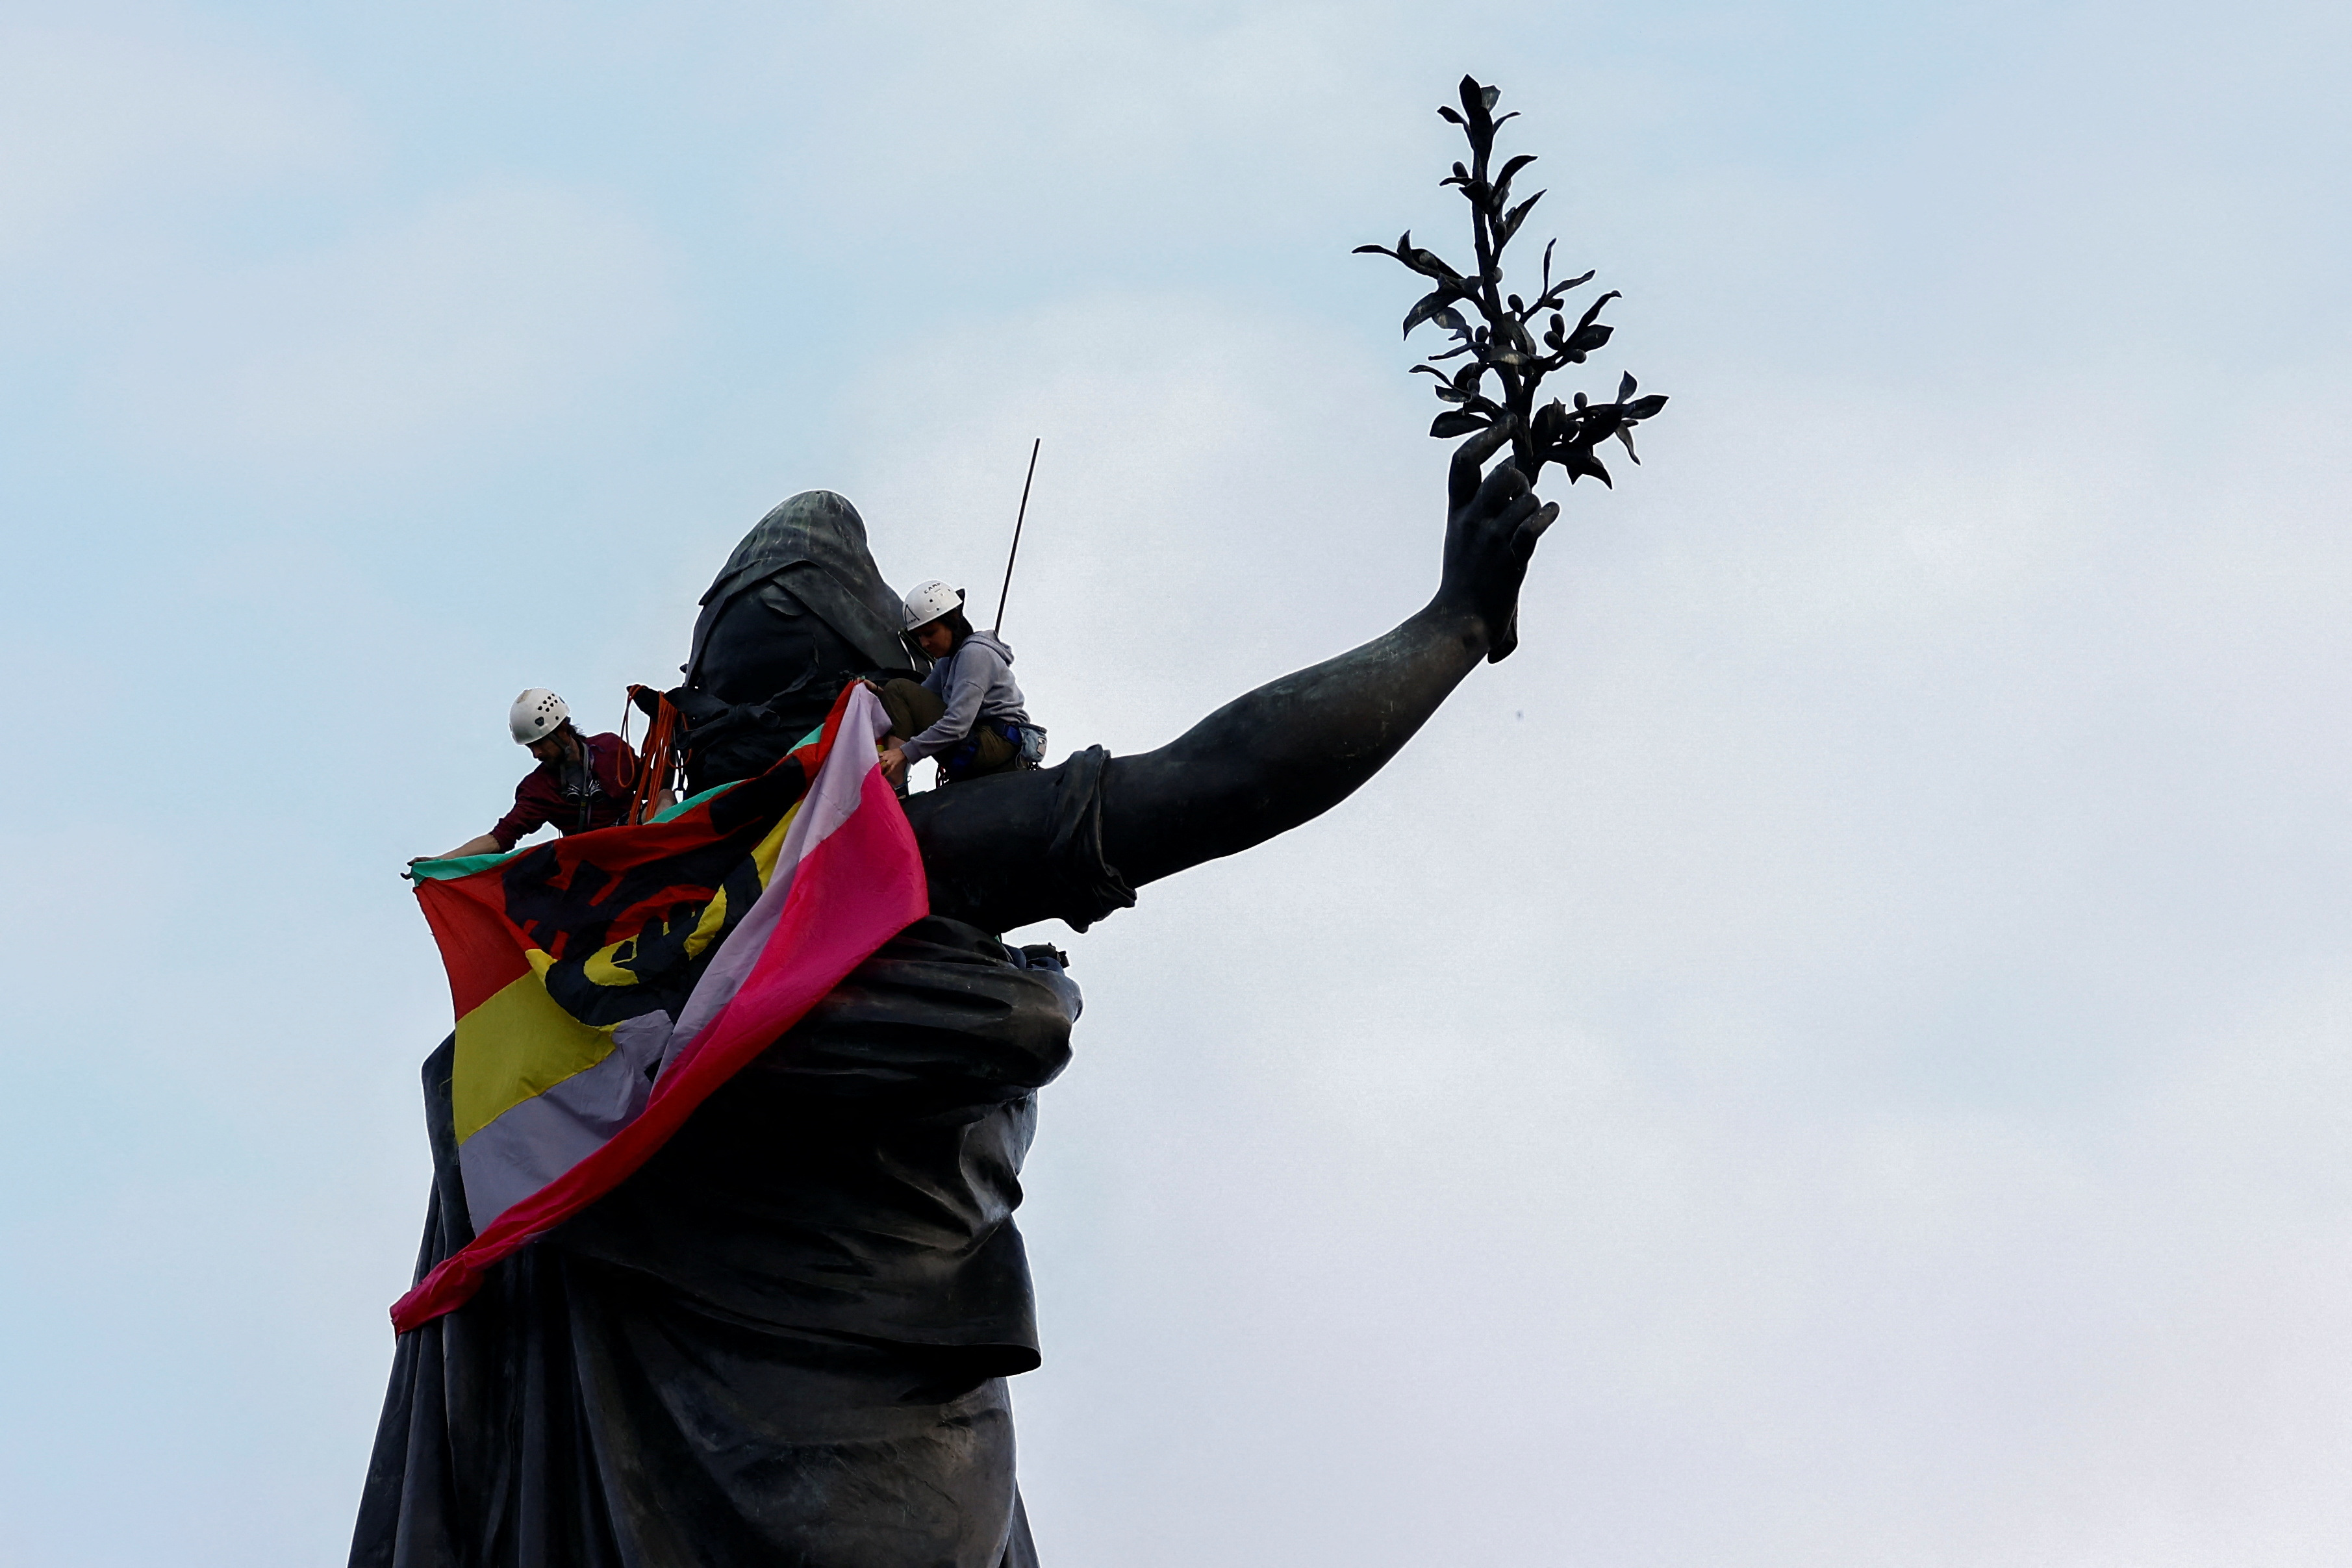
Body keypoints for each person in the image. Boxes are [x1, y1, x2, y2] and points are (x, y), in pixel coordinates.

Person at [355, 439, 1562, 1568]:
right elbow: (1221, 778)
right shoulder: (899, 865)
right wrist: (1453, 625)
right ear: (863, 707)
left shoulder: (591, 985)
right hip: (908, 1492)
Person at [427, 689, 649, 860]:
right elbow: (499, 838)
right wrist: (442, 861)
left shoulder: (610, 748)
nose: (536, 754)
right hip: (600, 860)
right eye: (530, 747)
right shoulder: (538, 789)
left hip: (640, 833)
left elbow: (655, 784)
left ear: (562, 729)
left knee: (661, 801)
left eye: (540, 744)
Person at [872, 579, 1044, 790]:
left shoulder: (974, 654)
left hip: (994, 742)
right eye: (919, 636)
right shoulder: (947, 661)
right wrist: (878, 694)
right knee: (895, 691)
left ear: (952, 621)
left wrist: (903, 753)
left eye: (930, 633)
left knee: (898, 688)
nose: (925, 643)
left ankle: (894, 788)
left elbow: (958, 724)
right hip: (980, 739)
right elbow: (915, 702)